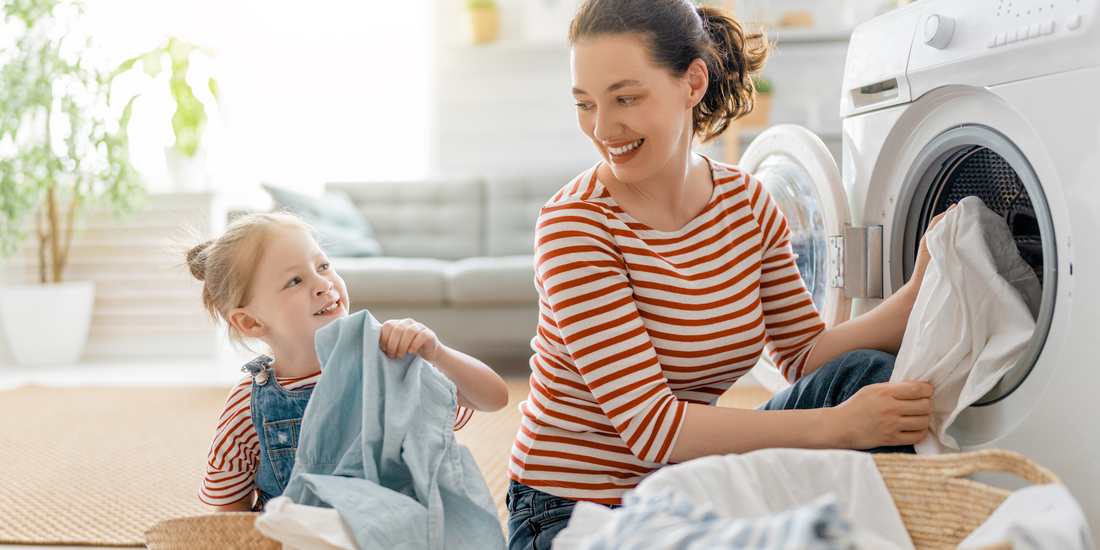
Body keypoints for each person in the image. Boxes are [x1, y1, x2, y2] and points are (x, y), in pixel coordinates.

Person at [505, 1, 948, 548]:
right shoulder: (575, 225)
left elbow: (804, 355)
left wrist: (918, 294)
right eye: (584, 104)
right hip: (571, 510)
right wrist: (841, 426)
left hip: (694, 487)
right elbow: (653, 427)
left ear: (692, 82)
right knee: (851, 415)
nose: (602, 128)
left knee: (864, 376)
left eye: (626, 98)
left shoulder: (748, 204)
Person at [182, 211, 509, 511]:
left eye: (323, 266)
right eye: (294, 281)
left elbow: (494, 398)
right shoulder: (248, 404)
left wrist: (436, 352)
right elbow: (228, 504)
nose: (324, 284)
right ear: (252, 322)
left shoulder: (390, 361)